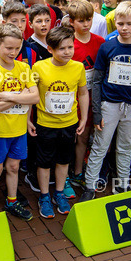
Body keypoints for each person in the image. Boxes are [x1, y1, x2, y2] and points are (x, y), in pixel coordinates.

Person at [81, 1, 131, 200]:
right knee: (100, 146)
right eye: (120, 23)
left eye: (129, 23)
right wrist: (97, 112)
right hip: (109, 105)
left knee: (125, 146)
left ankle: (122, 184)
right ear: (115, 23)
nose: (124, 28)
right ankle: (89, 185)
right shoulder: (107, 47)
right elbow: (96, 81)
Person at [31, 27, 89, 218]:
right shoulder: (39, 68)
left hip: (69, 123)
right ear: (50, 49)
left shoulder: (78, 67)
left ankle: (59, 192)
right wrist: (27, 121)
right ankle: (45, 196)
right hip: (46, 124)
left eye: (70, 47)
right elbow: (30, 95)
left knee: (64, 160)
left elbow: (82, 93)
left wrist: (84, 117)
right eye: (62, 48)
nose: (67, 52)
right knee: (45, 162)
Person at [0, 23, 39, 220]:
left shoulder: (24, 67)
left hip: (19, 130)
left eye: (17, 48)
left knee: (14, 167)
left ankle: (12, 201)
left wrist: (7, 96)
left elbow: (35, 98)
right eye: (8, 48)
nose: (13, 52)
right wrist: (20, 94)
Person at [64, 0, 103, 193]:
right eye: (81, 21)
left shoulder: (99, 42)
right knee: (67, 138)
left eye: (89, 19)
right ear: (72, 22)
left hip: (90, 97)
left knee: (83, 137)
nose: (86, 24)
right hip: (70, 99)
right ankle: (63, 175)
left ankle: (78, 172)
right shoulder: (68, 44)